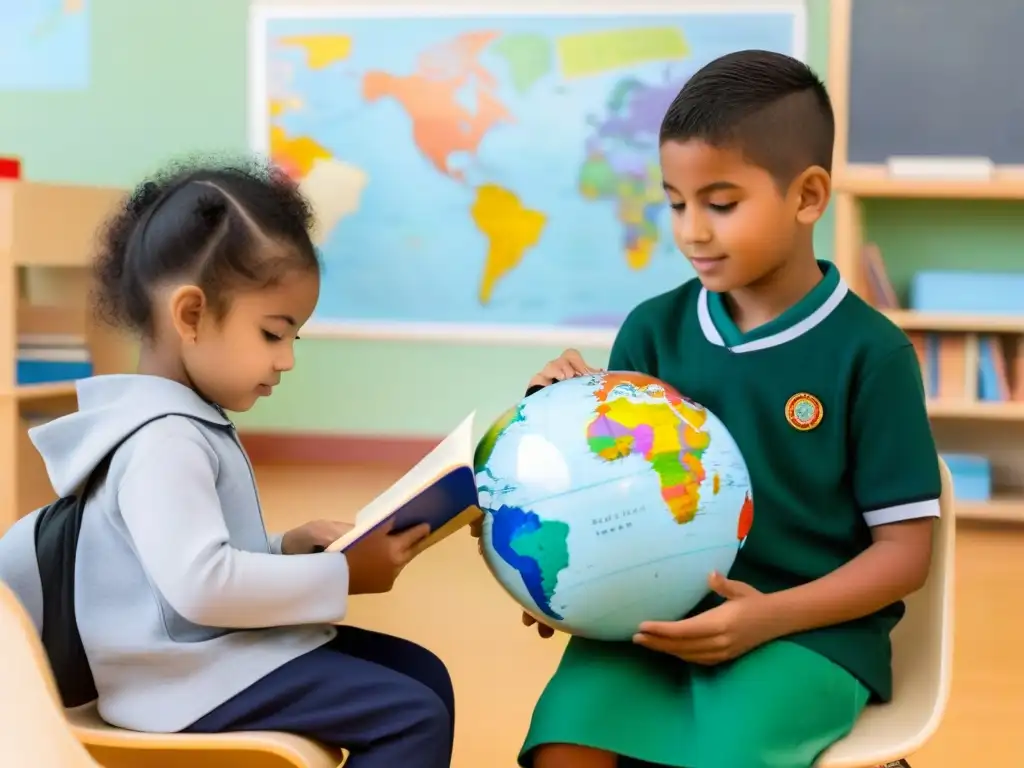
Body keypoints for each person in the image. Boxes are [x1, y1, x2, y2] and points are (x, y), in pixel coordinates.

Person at [480, 50, 941, 768]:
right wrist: (564, 425)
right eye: (675, 201)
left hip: (807, 632)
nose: (692, 229)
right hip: (656, 618)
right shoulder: (652, 330)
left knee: (726, 754)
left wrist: (767, 617)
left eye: (720, 204)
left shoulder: (871, 354)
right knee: (562, 743)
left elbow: (905, 556)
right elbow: (618, 494)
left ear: (808, 196)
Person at [0, 158, 454, 767]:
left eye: (296, 337)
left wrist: (282, 547)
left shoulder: (182, 420)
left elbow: (173, 566)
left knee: (425, 677)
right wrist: (343, 577)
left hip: (201, 658)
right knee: (411, 713)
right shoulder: (165, 440)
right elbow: (201, 587)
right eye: (273, 334)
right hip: (175, 683)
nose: (287, 359)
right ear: (190, 315)